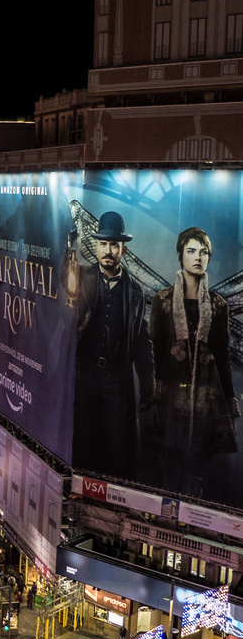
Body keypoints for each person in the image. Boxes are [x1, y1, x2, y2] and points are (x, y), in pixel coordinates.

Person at [149, 227, 239, 496]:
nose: (197, 257)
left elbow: (223, 359)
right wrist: (152, 400)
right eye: (191, 251)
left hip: (205, 406)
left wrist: (231, 408)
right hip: (168, 405)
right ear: (180, 255)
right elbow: (153, 355)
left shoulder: (219, 306)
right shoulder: (162, 301)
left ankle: (188, 531)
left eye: (203, 252)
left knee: (195, 479)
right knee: (170, 477)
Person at [71, 211, 154, 480]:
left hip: (117, 379)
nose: (108, 250)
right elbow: (62, 276)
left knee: (116, 446)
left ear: (123, 249)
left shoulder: (135, 292)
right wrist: (67, 245)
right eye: (104, 244)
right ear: (96, 246)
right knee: (83, 440)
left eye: (114, 245)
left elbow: (143, 341)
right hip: (85, 373)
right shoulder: (82, 277)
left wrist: (148, 386)